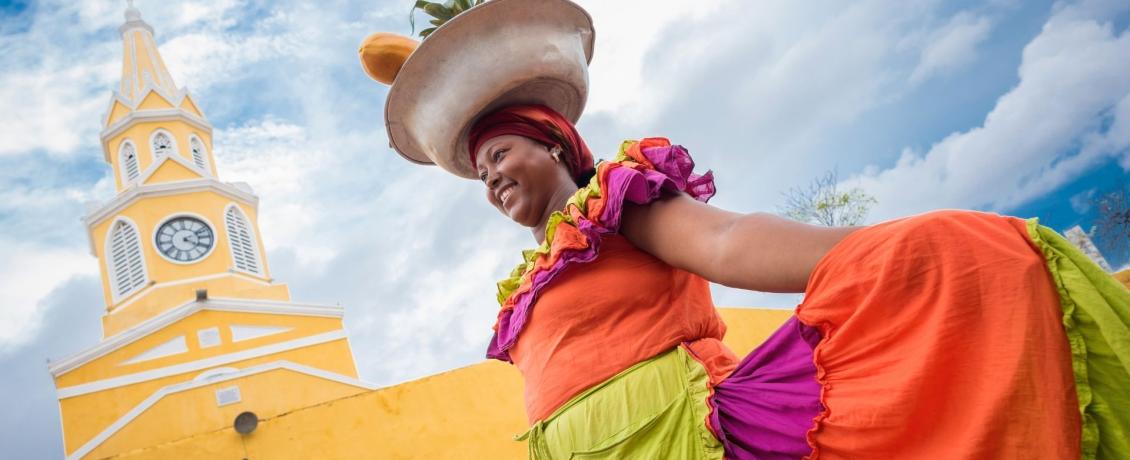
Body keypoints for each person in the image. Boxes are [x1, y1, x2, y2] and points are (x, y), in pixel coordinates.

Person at [362, 0, 1130, 458]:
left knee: (963, 269)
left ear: (553, 141)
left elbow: (727, 245)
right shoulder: (525, 289)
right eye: (480, 171)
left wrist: (875, 251)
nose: (491, 177)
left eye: (500, 154)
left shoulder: (618, 203)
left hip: (683, 437)